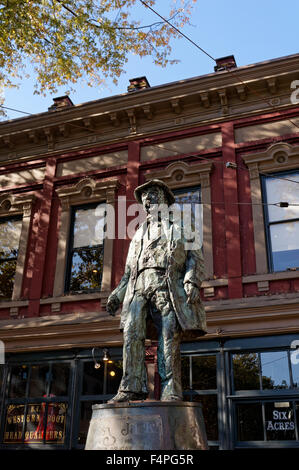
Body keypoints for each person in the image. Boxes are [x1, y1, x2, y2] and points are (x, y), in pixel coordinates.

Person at [106, 179, 206, 402]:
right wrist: (117, 294)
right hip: (138, 288)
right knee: (132, 334)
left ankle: (171, 389)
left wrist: (191, 281)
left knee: (168, 337)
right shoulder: (138, 236)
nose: (148, 199)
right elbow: (129, 272)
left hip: (166, 285)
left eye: (153, 195)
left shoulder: (183, 228)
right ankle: (131, 386)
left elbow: (195, 258)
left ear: (165, 200)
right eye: (145, 198)